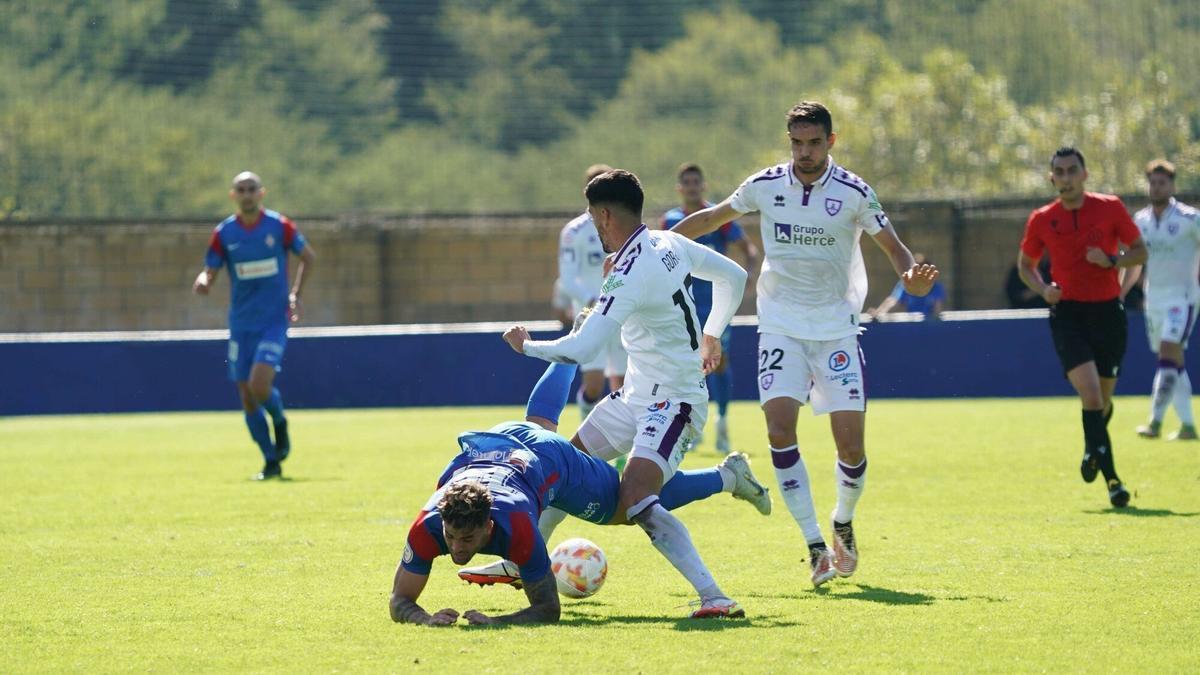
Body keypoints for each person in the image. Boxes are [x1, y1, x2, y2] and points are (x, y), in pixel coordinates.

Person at [670, 101, 939, 587]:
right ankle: (815, 543)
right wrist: (648, 247)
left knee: (851, 447)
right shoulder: (767, 184)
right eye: (797, 143)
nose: (804, 152)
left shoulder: (855, 192)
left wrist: (910, 278)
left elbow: (894, 247)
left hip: (836, 329)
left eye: (814, 143)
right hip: (780, 327)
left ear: (831, 141)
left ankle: (843, 520)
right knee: (778, 429)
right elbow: (711, 218)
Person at [502, 169, 752, 617]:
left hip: (675, 400)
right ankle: (519, 563)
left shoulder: (629, 271)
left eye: (592, 217)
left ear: (602, 215)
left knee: (635, 497)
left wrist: (527, 346)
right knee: (562, 470)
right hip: (635, 394)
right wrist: (713, 333)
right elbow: (733, 275)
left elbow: (585, 346)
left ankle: (716, 597)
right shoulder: (666, 242)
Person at [388, 360, 771, 626]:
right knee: (538, 425)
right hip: (496, 442)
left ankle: (727, 477)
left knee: (630, 504)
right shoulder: (430, 523)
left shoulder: (519, 523)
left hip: (553, 463)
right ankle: (570, 353)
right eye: (452, 537)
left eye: (467, 539)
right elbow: (399, 601)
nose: (455, 548)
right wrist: (425, 619)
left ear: (489, 526)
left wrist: (495, 622)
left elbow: (547, 609)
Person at [1017, 147, 1147, 508]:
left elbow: (1140, 251)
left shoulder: (1110, 207)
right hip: (1068, 316)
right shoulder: (1042, 218)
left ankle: (1093, 448)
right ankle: (1114, 482)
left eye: (1073, 170)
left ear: (1085, 174)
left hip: (1108, 314)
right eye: (1059, 172)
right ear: (1052, 178)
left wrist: (1112, 259)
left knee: (1102, 403)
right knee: (1091, 396)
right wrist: (1044, 289)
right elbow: (1025, 265)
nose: (1066, 177)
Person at [192, 171, 316, 481]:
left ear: (261, 193)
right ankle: (270, 460)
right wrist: (204, 280)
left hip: (273, 320)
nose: (247, 194)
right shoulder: (225, 233)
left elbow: (308, 257)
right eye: (241, 190)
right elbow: (211, 269)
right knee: (246, 395)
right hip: (241, 324)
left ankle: (279, 421)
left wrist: (295, 295)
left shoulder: (279, 226)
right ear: (233, 195)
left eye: (252, 189)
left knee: (260, 385)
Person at [661, 163, 760, 454]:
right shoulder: (671, 221)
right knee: (687, 364)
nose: (692, 187)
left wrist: (750, 274)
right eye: (686, 183)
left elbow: (748, 248)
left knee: (719, 360)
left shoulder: (719, 217)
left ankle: (723, 420)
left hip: (715, 302)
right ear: (680, 188)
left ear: (703, 186)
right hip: (685, 303)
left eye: (696, 182)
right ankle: (690, 424)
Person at [1122, 159, 1199, 441]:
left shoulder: (1190, 219)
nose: (1156, 187)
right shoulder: (1140, 221)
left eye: (1162, 182)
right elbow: (1135, 263)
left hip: (1183, 298)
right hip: (1154, 300)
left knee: (1168, 352)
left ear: (1172, 185)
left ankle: (1154, 422)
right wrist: (1120, 295)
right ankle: (1188, 426)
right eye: (1152, 182)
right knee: (1172, 361)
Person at [558, 164, 628, 420]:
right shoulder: (573, 231)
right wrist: (592, 299)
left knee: (622, 384)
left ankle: (620, 449)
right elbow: (567, 278)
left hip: (622, 310)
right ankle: (587, 424)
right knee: (595, 384)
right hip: (590, 313)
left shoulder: (625, 225)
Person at [868, 253, 946, 319]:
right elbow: (893, 301)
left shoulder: (936, 287)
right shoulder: (905, 283)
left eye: (922, 267)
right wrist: (879, 312)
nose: (919, 271)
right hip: (912, 325)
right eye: (916, 267)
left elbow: (937, 309)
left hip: (928, 325)